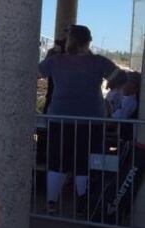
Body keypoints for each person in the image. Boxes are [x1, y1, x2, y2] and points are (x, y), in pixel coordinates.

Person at [38, 24, 119, 216]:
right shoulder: (99, 62)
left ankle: (51, 203)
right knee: (85, 161)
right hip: (92, 119)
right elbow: (121, 78)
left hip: (59, 117)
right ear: (88, 41)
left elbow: (34, 73)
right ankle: (84, 205)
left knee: (57, 161)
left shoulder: (56, 61)